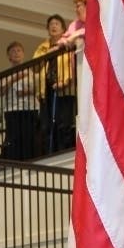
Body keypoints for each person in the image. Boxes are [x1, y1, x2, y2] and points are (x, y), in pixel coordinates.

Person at [34, 14, 76, 154]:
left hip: (64, 88)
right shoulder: (42, 47)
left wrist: (66, 81)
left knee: (63, 123)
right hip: (46, 90)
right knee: (46, 124)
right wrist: (48, 53)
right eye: (51, 24)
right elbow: (35, 67)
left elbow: (73, 65)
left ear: (63, 28)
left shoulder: (68, 44)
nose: (53, 26)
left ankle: (63, 151)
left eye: (57, 23)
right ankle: (49, 153)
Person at [1, 41, 39, 160]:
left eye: (19, 51)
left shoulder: (31, 72)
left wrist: (28, 92)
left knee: (29, 135)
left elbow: (38, 89)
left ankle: (29, 160)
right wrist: (14, 79)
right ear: (9, 56)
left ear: (23, 54)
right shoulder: (5, 74)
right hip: (12, 109)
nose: (16, 53)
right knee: (13, 137)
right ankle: (14, 161)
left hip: (30, 108)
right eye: (13, 51)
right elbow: (0, 91)